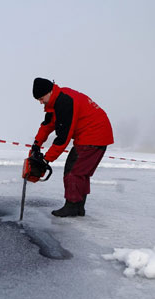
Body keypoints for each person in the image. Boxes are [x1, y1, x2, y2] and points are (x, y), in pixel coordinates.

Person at [31, 77, 114, 217]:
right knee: (80, 172)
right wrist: (36, 144)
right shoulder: (56, 101)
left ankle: (72, 207)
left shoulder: (64, 102)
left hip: (93, 135)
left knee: (73, 171)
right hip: (95, 135)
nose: (40, 102)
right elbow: (47, 125)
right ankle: (78, 207)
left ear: (49, 91)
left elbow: (63, 137)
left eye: (41, 98)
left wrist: (46, 160)